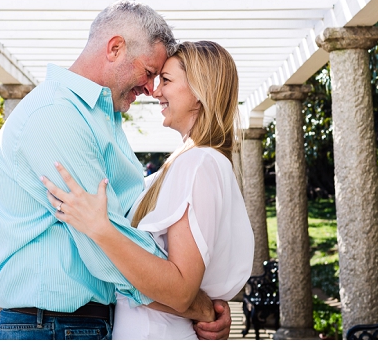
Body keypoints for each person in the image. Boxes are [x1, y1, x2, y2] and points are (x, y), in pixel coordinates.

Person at [0, 0, 233, 340]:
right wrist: (196, 305)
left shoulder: (101, 120)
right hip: (53, 328)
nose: (151, 89)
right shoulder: (55, 115)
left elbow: (134, 222)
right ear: (115, 48)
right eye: (149, 73)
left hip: (79, 325)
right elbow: (105, 245)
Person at [44, 40, 254, 339]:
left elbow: (180, 290)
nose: (155, 91)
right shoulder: (186, 164)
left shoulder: (198, 163)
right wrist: (207, 309)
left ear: (199, 92)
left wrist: (99, 229)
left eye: (166, 80)